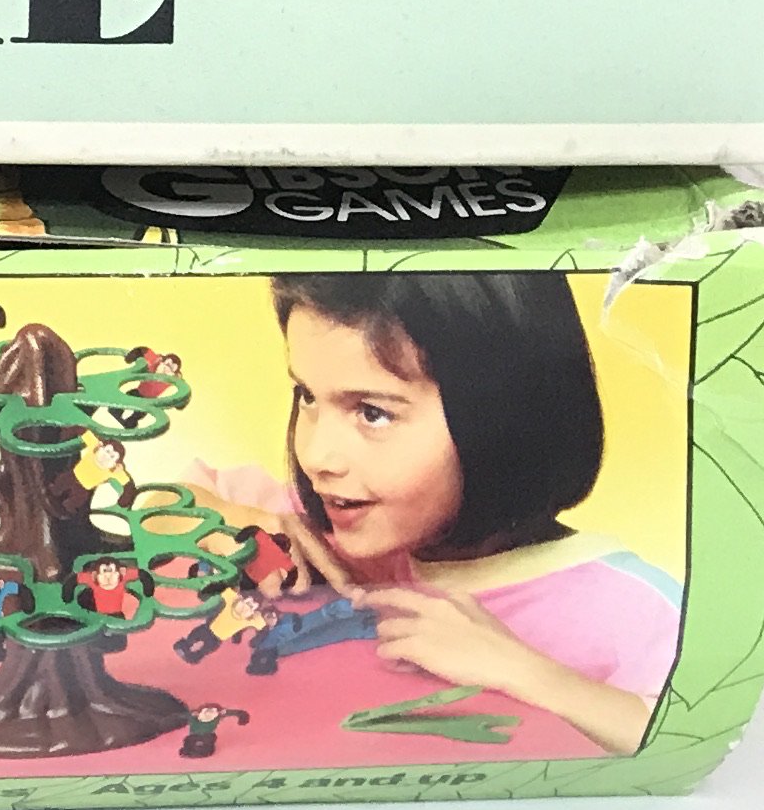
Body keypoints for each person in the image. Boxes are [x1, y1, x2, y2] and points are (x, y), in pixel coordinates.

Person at [203, 273, 681, 757]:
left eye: (372, 413)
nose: (317, 456)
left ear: (502, 418)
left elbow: (688, 741)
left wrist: (526, 672)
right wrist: (223, 523)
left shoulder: (633, 610)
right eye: (307, 396)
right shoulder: (316, 530)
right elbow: (170, 504)